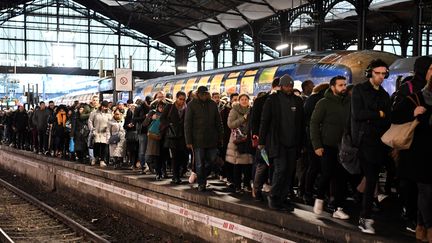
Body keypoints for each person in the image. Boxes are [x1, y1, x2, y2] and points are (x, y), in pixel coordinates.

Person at [351, 59, 391, 234]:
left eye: (383, 74)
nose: (381, 77)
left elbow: (387, 117)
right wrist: (379, 114)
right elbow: (358, 114)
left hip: (380, 142)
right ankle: (364, 217)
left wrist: (376, 116)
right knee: (371, 178)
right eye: (378, 73)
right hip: (365, 141)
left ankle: (363, 205)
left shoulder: (384, 94)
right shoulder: (360, 90)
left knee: (371, 178)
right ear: (370, 73)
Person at [392, 68, 432, 242]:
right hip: (418, 155)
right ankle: (429, 227)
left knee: (427, 192)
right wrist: (413, 113)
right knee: (426, 191)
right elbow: (394, 117)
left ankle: (421, 226)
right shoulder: (414, 98)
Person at [258, 74, 304, 211]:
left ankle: (283, 198)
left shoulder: (298, 101)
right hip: (277, 142)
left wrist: (302, 143)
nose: (289, 88)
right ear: (281, 86)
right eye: (286, 86)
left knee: (289, 171)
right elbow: (264, 121)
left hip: (293, 143)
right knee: (280, 170)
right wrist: (261, 141)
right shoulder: (272, 100)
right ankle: (273, 196)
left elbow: (301, 123)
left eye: (291, 86)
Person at [310, 76, 350, 220]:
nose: (344, 87)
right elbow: (314, 124)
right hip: (327, 146)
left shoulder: (348, 103)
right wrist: (317, 145)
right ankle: (320, 197)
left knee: (341, 178)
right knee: (327, 174)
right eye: (340, 85)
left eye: (345, 84)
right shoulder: (323, 103)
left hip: (344, 147)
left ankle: (338, 208)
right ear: (332, 87)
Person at [184, 86, 223, 192]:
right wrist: (188, 141)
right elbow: (187, 124)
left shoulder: (212, 104)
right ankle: (202, 183)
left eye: (206, 93)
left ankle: (202, 177)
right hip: (197, 140)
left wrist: (221, 136)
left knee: (212, 160)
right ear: (198, 94)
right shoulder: (191, 105)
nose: (204, 96)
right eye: (202, 94)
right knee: (199, 163)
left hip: (212, 139)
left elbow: (218, 122)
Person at [250, 77, 280, 201]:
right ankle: (256, 189)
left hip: (278, 139)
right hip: (264, 139)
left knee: (275, 166)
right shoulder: (261, 100)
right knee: (262, 164)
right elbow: (255, 120)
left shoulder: (286, 101)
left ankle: (273, 191)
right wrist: (257, 135)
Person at [301, 82, 329, 204]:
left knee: (313, 167)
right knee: (315, 167)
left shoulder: (312, 99)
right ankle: (309, 193)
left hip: (311, 138)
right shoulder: (319, 101)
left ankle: (307, 192)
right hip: (315, 139)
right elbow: (312, 122)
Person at [226, 93, 253, 193]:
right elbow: (230, 124)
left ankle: (246, 184)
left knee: (248, 164)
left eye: (246, 99)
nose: (244, 101)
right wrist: (243, 118)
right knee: (238, 164)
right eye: (242, 99)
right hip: (237, 141)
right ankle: (237, 185)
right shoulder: (234, 110)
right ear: (239, 101)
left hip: (247, 141)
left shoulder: (251, 110)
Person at [160, 91, 188, 184]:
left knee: (182, 156)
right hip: (172, 136)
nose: (182, 101)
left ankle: (179, 174)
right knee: (175, 156)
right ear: (176, 98)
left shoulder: (186, 108)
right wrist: (169, 124)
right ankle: (175, 176)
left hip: (182, 136)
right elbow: (162, 118)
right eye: (180, 99)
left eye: (184, 100)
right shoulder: (170, 107)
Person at [88, 100, 112, 167]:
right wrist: (92, 129)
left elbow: (111, 122)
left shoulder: (109, 114)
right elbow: (90, 121)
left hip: (105, 132)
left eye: (106, 107)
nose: (104, 108)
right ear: (101, 106)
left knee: (104, 146)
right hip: (96, 132)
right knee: (96, 145)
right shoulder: (94, 112)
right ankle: (95, 158)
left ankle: (102, 160)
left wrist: (108, 128)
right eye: (103, 106)